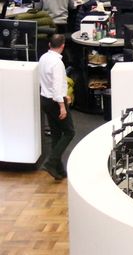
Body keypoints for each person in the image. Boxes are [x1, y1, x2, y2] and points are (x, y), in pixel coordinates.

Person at [39, 34, 75, 180]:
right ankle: (51, 162)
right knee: (69, 132)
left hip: (45, 99)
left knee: (56, 134)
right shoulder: (57, 63)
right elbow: (56, 86)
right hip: (56, 102)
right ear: (63, 46)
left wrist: (63, 96)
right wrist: (62, 106)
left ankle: (59, 170)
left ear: (49, 45)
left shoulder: (43, 58)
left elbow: (47, 82)